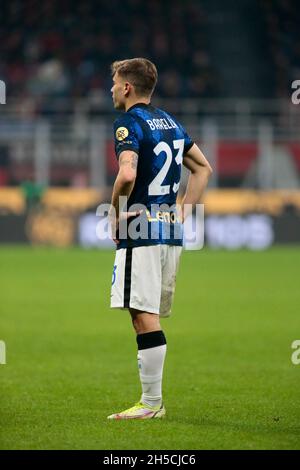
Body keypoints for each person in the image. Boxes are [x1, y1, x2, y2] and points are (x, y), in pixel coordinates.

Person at [107, 58, 212, 420]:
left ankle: (151, 404)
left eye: (114, 82)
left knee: (143, 314)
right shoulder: (170, 121)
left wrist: (114, 213)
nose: (111, 89)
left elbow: (126, 173)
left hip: (141, 227)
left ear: (127, 88)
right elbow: (203, 168)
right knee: (148, 312)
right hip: (169, 228)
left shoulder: (128, 124)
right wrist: (183, 210)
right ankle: (152, 403)